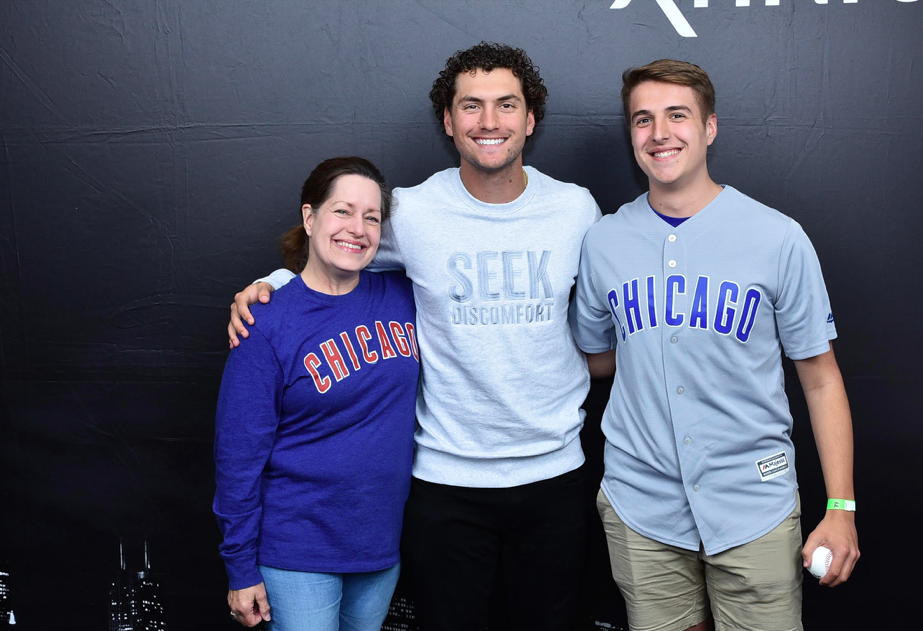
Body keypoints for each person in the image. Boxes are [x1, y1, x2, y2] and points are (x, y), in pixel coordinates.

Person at [227, 43, 602, 630]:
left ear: (529, 120)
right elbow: (339, 250)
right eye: (470, 106)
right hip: (445, 483)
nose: (489, 121)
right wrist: (268, 284)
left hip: (554, 475)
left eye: (506, 105)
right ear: (449, 122)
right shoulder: (413, 211)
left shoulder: (576, 210)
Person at [570, 59, 860, 631]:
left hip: (753, 502)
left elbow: (821, 379)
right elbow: (598, 356)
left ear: (709, 128)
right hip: (641, 506)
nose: (659, 134)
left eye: (677, 115)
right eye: (643, 120)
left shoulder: (777, 238)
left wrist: (841, 507)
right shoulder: (603, 241)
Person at [214, 157, 420, 631]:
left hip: (379, 545)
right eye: (343, 211)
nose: (358, 228)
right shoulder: (265, 323)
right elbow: (237, 458)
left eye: (371, 217)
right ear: (310, 218)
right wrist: (240, 567)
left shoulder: (404, 295)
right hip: (297, 547)